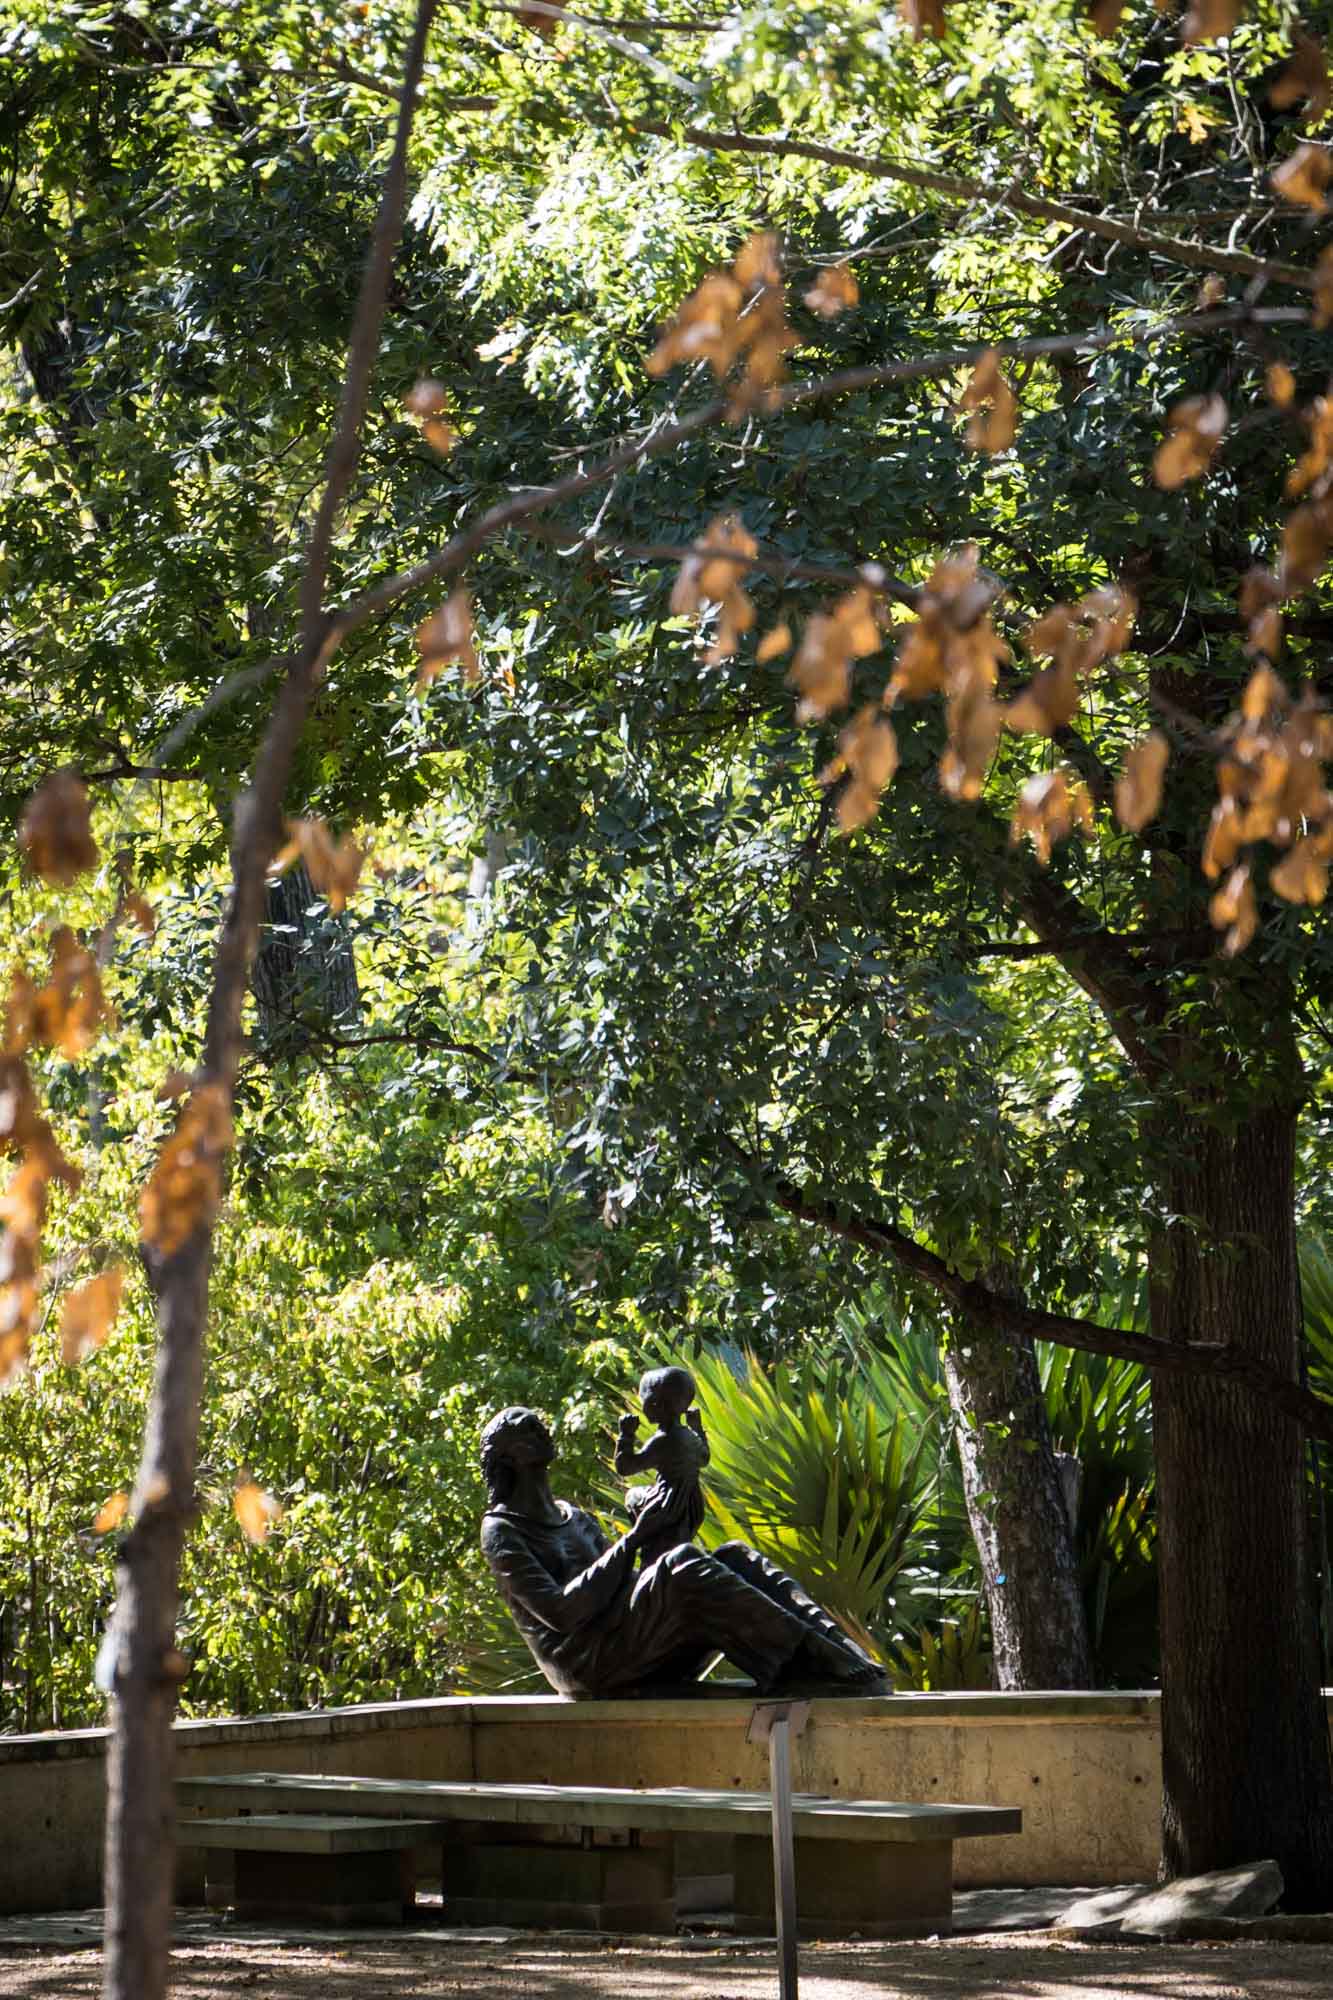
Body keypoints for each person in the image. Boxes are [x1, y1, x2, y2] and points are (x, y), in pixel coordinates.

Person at [479, 1404, 890, 1699]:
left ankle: (842, 1654)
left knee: (731, 1555)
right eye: (528, 1429)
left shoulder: (575, 1516)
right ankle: (804, 1660)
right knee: (682, 1564)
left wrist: (668, 1530)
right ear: (509, 1456)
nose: (542, 1431)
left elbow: (623, 1586)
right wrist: (638, 1538)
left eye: (538, 1424)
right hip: (590, 1665)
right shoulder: (502, 1530)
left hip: (632, 1642)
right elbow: (562, 1613)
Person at [614, 1363, 709, 1564]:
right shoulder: (689, 1436)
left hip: (668, 1506)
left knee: (633, 1496)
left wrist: (626, 1435)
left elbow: (625, 1467)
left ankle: (643, 1541)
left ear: (657, 1404)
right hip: (691, 1506)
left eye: (644, 1401)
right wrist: (697, 1428)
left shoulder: (663, 1440)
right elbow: (705, 1458)